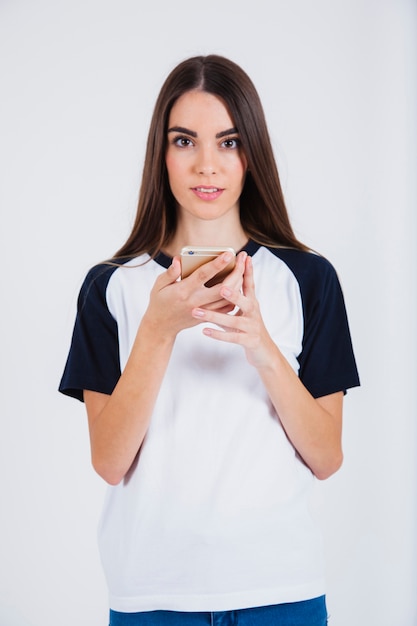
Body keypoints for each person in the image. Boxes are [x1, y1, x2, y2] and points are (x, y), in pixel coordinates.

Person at [59, 54, 360, 626]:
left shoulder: (307, 278)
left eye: (228, 142)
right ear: (161, 153)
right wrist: (157, 330)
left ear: (252, 156)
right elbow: (109, 461)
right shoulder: (112, 287)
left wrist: (261, 345)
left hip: (280, 586)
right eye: (183, 141)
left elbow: (326, 456)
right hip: (152, 593)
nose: (206, 165)